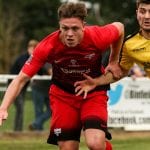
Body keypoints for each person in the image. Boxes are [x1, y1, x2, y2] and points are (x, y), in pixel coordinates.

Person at [0, 2, 124, 150]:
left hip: (93, 93)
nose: (69, 34)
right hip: (63, 96)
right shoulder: (47, 46)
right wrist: (3, 107)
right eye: (65, 28)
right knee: (67, 147)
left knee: (95, 143)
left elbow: (120, 27)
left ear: (83, 25)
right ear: (59, 26)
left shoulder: (97, 37)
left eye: (75, 28)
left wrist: (114, 61)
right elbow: (21, 79)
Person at [74, 0, 150, 98]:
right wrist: (96, 82)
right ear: (137, 13)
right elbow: (120, 72)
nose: (147, 16)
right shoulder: (129, 44)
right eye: (143, 11)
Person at [8, 39, 38, 131]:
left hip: (23, 87)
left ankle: (18, 130)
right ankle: (17, 130)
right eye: (33, 49)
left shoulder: (34, 59)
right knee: (20, 108)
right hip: (15, 87)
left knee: (20, 109)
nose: (34, 51)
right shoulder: (23, 59)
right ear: (29, 48)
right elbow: (25, 72)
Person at [29, 63, 52, 131]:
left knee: (52, 110)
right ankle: (38, 131)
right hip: (38, 89)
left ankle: (35, 124)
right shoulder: (48, 61)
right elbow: (51, 71)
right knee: (39, 110)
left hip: (48, 90)